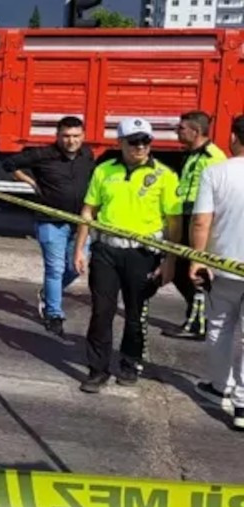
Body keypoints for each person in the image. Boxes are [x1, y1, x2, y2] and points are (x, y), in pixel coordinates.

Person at [73, 117, 182, 393]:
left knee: (136, 313)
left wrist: (169, 261)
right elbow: (89, 211)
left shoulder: (165, 176)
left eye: (146, 141)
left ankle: (130, 362)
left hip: (142, 255)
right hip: (106, 251)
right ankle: (97, 370)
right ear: (120, 142)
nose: (141, 147)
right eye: (134, 141)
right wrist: (80, 249)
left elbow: (173, 222)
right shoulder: (104, 171)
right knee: (101, 312)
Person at [2, 116, 96, 336]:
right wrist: (30, 182)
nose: (71, 141)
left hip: (80, 223)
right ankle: (54, 313)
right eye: (66, 136)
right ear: (57, 136)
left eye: (76, 136)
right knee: (55, 268)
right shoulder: (42, 155)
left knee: (75, 268)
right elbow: (9, 164)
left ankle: (47, 293)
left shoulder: (87, 155)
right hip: (50, 222)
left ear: (83, 136)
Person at [187, 114, 244, 429]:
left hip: (223, 267)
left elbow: (201, 221)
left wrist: (197, 259)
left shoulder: (215, 172)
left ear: (234, 136)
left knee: (220, 328)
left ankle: (221, 387)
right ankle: (243, 408)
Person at [165, 111, 228, 341]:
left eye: (181, 128)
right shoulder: (191, 154)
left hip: (199, 221)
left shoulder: (213, 157)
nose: (177, 132)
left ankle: (200, 322)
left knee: (192, 271)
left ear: (196, 131)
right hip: (186, 217)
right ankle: (196, 318)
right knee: (179, 270)